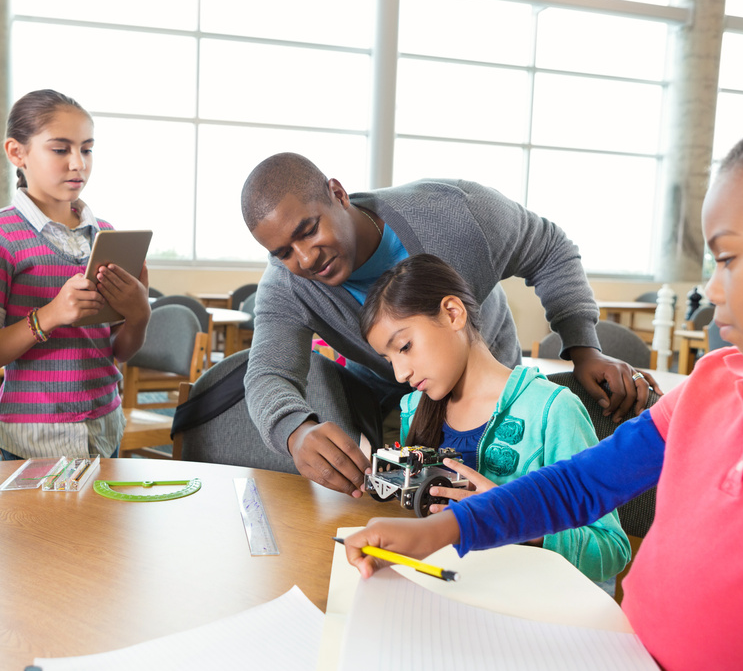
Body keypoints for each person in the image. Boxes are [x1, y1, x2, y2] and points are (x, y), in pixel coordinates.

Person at [345, 67, 743, 671]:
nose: (712, 292)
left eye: (726, 259)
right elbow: (578, 485)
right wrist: (444, 529)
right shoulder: (714, 387)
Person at [241, 154, 660, 497]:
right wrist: (294, 431)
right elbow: (267, 374)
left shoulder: (453, 213)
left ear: (337, 193)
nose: (305, 259)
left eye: (309, 230)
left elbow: (550, 248)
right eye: (283, 252)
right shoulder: (287, 285)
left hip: (496, 388)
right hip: (406, 413)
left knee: (516, 494)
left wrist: (583, 346)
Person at [360, 254, 629, 589]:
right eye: (389, 360)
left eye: (405, 346)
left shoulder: (552, 411)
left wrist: (513, 515)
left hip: (526, 605)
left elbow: (612, 550)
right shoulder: (414, 409)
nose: (401, 373)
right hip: (447, 590)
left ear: (453, 313)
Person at [0, 89, 149, 460]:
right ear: (17, 153)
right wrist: (51, 315)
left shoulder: (105, 233)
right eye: (61, 149)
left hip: (105, 424)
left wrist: (139, 314)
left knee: (105, 520)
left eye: (87, 149)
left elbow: (119, 350)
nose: (78, 164)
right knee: (44, 522)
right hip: (35, 434)